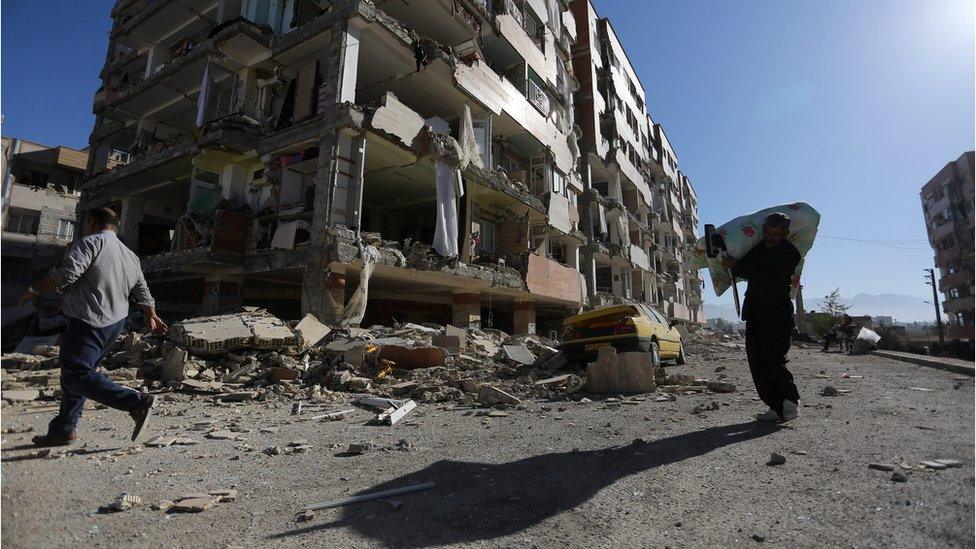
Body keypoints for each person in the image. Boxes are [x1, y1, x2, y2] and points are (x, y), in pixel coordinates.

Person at [19, 207, 168, 446]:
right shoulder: (130, 255)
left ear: (90, 222)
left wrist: (34, 290)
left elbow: (67, 273)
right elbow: (142, 290)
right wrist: (152, 314)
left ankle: (136, 402)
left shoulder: (89, 243)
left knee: (77, 375)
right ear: (115, 226)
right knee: (78, 373)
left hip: (88, 321)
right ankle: (64, 429)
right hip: (114, 324)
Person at [722, 212, 802, 422]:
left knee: (774, 359)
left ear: (785, 234)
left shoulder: (789, 253)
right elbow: (746, 267)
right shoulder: (759, 249)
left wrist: (737, 267)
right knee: (757, 361)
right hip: (755, 312)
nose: (770, 237)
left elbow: (766, 275)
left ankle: (791, 402)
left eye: (775, 234)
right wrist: (733, 263)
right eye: (767, 232)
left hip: (776, 314)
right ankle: (775, 406)